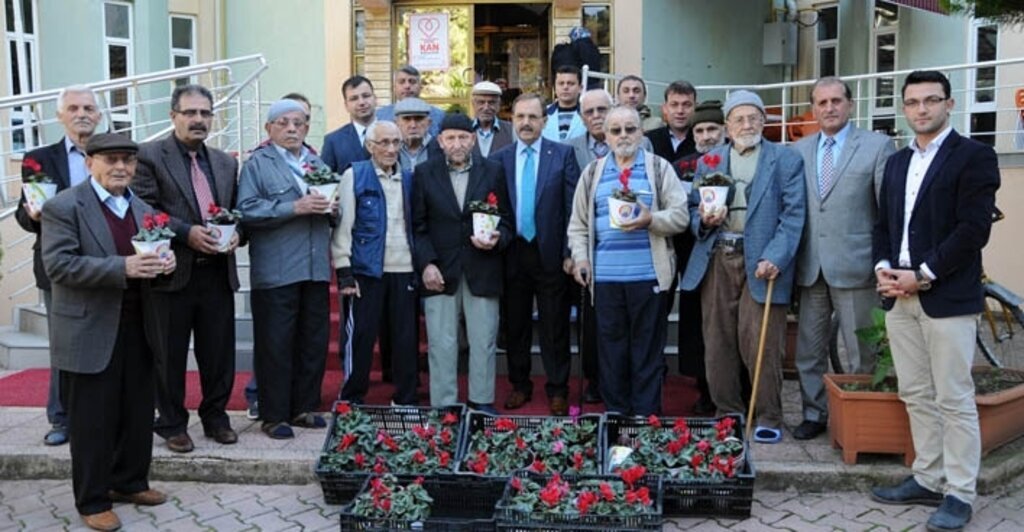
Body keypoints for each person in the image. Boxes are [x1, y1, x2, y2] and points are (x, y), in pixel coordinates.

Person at [870, 70, 1000, 532]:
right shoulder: (898, 162)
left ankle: (960, 492)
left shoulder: (975, 157)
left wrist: (920, 276)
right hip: (898, 295)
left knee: (954, 398)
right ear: (903, 108)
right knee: (916, 393)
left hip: (944, 294)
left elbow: (973, 230)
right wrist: (884, 267)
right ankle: (928, 477)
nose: (921, 109)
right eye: (912, 102)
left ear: (949, 103)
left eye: (930, 100)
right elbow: (884, 224)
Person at [41, 133, 175, 531]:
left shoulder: (143, 207)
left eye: (128, 161)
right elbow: (60, 266)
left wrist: (162, 266)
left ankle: (130, 481)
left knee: (136, 412)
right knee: (92, 421)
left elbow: (152, 259)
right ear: (90, 163)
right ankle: (93, 499)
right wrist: (124, 267)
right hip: (89, 329)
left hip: (138, 326)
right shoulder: (63, 206)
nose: (121, 167)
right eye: (111, 160)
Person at [680, 90, 805, 444]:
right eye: (739, 119)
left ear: (764, 122)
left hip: (763, 262)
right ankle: (727, 413)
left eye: (753, 118)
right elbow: (692, 209)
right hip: (718, 256)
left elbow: (794, 215)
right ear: (727, 126)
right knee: (718, 341)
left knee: (761, 344)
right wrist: (702, 221)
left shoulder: (784, 159)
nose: (746, 124)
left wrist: (776, 257)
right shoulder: (710, 162)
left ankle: (768, 414)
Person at [133, 84, 241, 453]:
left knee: (218, 352)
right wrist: (186, 232)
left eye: (205, 113)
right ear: (173, 116)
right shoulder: (149, 156)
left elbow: (236, 212)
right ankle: (172, 423)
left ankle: (216, 418)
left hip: (217, 272)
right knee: (169, 353)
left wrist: (236, 234)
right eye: (190, 112)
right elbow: (143, 208)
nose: (198, 119)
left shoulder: (226, 162)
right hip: (172, 272)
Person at [791, 77, 896, 441]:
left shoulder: (877, 146)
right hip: (810, 266)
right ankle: (814, 413)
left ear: (850, 104)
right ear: (813, 108)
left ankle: (862, 417)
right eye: (822, 102)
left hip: (856, 263)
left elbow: (888, 210)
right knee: (808, 349)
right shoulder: (799, 150)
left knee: (860, 350)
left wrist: (888, 262)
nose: (830, 108)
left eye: (837, 100)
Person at [567, 105, 688, 416]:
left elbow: (680, 216)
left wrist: (651, 220)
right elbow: (578, 225)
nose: (623, 135)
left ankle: (645, 419)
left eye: (630, 129)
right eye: (616, 130)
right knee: (611, 352)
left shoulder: (659, 168)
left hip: (648, 278)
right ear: (605, 136)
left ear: (641, 132)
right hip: (605, 281)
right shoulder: (592, 172)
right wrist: (580, 259)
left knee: (647, 352)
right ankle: (618, 416)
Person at [237, 99, 337, 439]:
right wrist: (295, 206)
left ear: (307, 128)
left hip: (314, 267)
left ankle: (303, 407)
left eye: (299, 123)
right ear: (269, 129)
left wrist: (332, 206)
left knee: (312, 341)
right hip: (277, 270)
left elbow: (331, 210)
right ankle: (273, 414)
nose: (292, 128)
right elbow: (247, 210)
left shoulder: (316, 161)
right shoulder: (257, 165)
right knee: (276, 344)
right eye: (284, 123)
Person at [15, 85, 100, 447]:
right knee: (64, 345)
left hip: (108, 261)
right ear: (60, 115)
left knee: (109, 342)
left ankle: (104, 415)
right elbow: (24, 213)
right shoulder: (39, 158)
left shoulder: (115, 154)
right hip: (58, 264)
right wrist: (32, 214)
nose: (82, 113)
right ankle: (62, 418)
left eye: (89, 108)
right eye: (74, 107)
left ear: (99, 115)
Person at [412, 113, 512, 414]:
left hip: (483, 267)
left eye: (463, 137)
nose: (457, 143)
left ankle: (481, 400)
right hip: (440, 271)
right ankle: (444, 404)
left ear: (472, 139)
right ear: (440, 142)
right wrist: (427, 263)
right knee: (442, 342)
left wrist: (498, 238)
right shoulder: (424, 173)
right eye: (450, 138)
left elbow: (506, 219)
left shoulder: (493, 171)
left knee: (483, 340)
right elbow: (417, 226)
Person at [489, 93, 580, 416]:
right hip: (512, 253)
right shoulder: (500, 158)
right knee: (516, 326)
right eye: (520, 117)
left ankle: (557, 389)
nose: (526, 123)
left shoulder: (563, 155)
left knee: (554, 327)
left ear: (545, 120)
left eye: (533, 117)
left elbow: (573, 207)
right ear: (512, 121)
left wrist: (571, 252)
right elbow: (494, 207)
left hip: (551, 255)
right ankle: (520, 385)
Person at [333, 121, 419, 406]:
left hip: (404, 269)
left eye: (396, 142)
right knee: (361, 336)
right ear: (370, 146)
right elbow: (344, 226)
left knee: (406, 340)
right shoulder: (354, 175)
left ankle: (405, 399)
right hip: (367, 272)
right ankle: (352, 397)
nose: (391, 149)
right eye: (384, 142)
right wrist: (344, 272)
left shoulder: (409, 177)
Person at [668, 99, 728, 416]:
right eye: (700, 130)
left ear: (724, 131)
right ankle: (705, 388)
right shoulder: (683, 168)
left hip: (730, 260)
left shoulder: (736, 163)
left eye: (712, 129)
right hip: (693, 258)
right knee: (697, 330)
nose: (706, 136)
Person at [567, 89, 654, 170]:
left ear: (613, 110)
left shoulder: (641, 143)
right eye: (589, 112)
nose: (596, 115)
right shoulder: (569, 148)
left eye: (601, 109)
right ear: (582, 118)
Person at [322, 75, 375, 174]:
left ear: (375, 99)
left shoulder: (393, 134)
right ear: (346, 105)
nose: (361, 102)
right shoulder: (333, 141)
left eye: (366, 96)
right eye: (354, 98)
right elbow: (326, 182)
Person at [376, 65, 446, 137]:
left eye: (412, 82)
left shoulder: (439, 116)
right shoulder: (380, 117)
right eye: (402, 82)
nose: (407, 86)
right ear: (394, 88)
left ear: (420, 87)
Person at [646, 80, 698, 162]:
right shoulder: (649, 140)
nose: (680, 111)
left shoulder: (702, 140)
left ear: (695, 108)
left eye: (687, 105)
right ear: (665, 108)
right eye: (674, 105)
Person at [395, 97, 442, 169]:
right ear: (397, 123)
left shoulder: (441, 149)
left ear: (429, 123)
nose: (413, 125)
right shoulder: (390, 148)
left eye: (418, 119)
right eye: (407, 119)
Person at [542, 65, 586, 141]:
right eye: (561, 83)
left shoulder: (588, 115)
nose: (565, 87)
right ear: (554, 88)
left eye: (571, 83)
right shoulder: (542, 114)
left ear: (580, 88)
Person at [471, 81, 513, 158]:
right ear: (473, 104)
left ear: (498, 105)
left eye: (491, 103)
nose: (486, 108)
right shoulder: (465, 130)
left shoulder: (511, 131)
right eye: (481, 102)